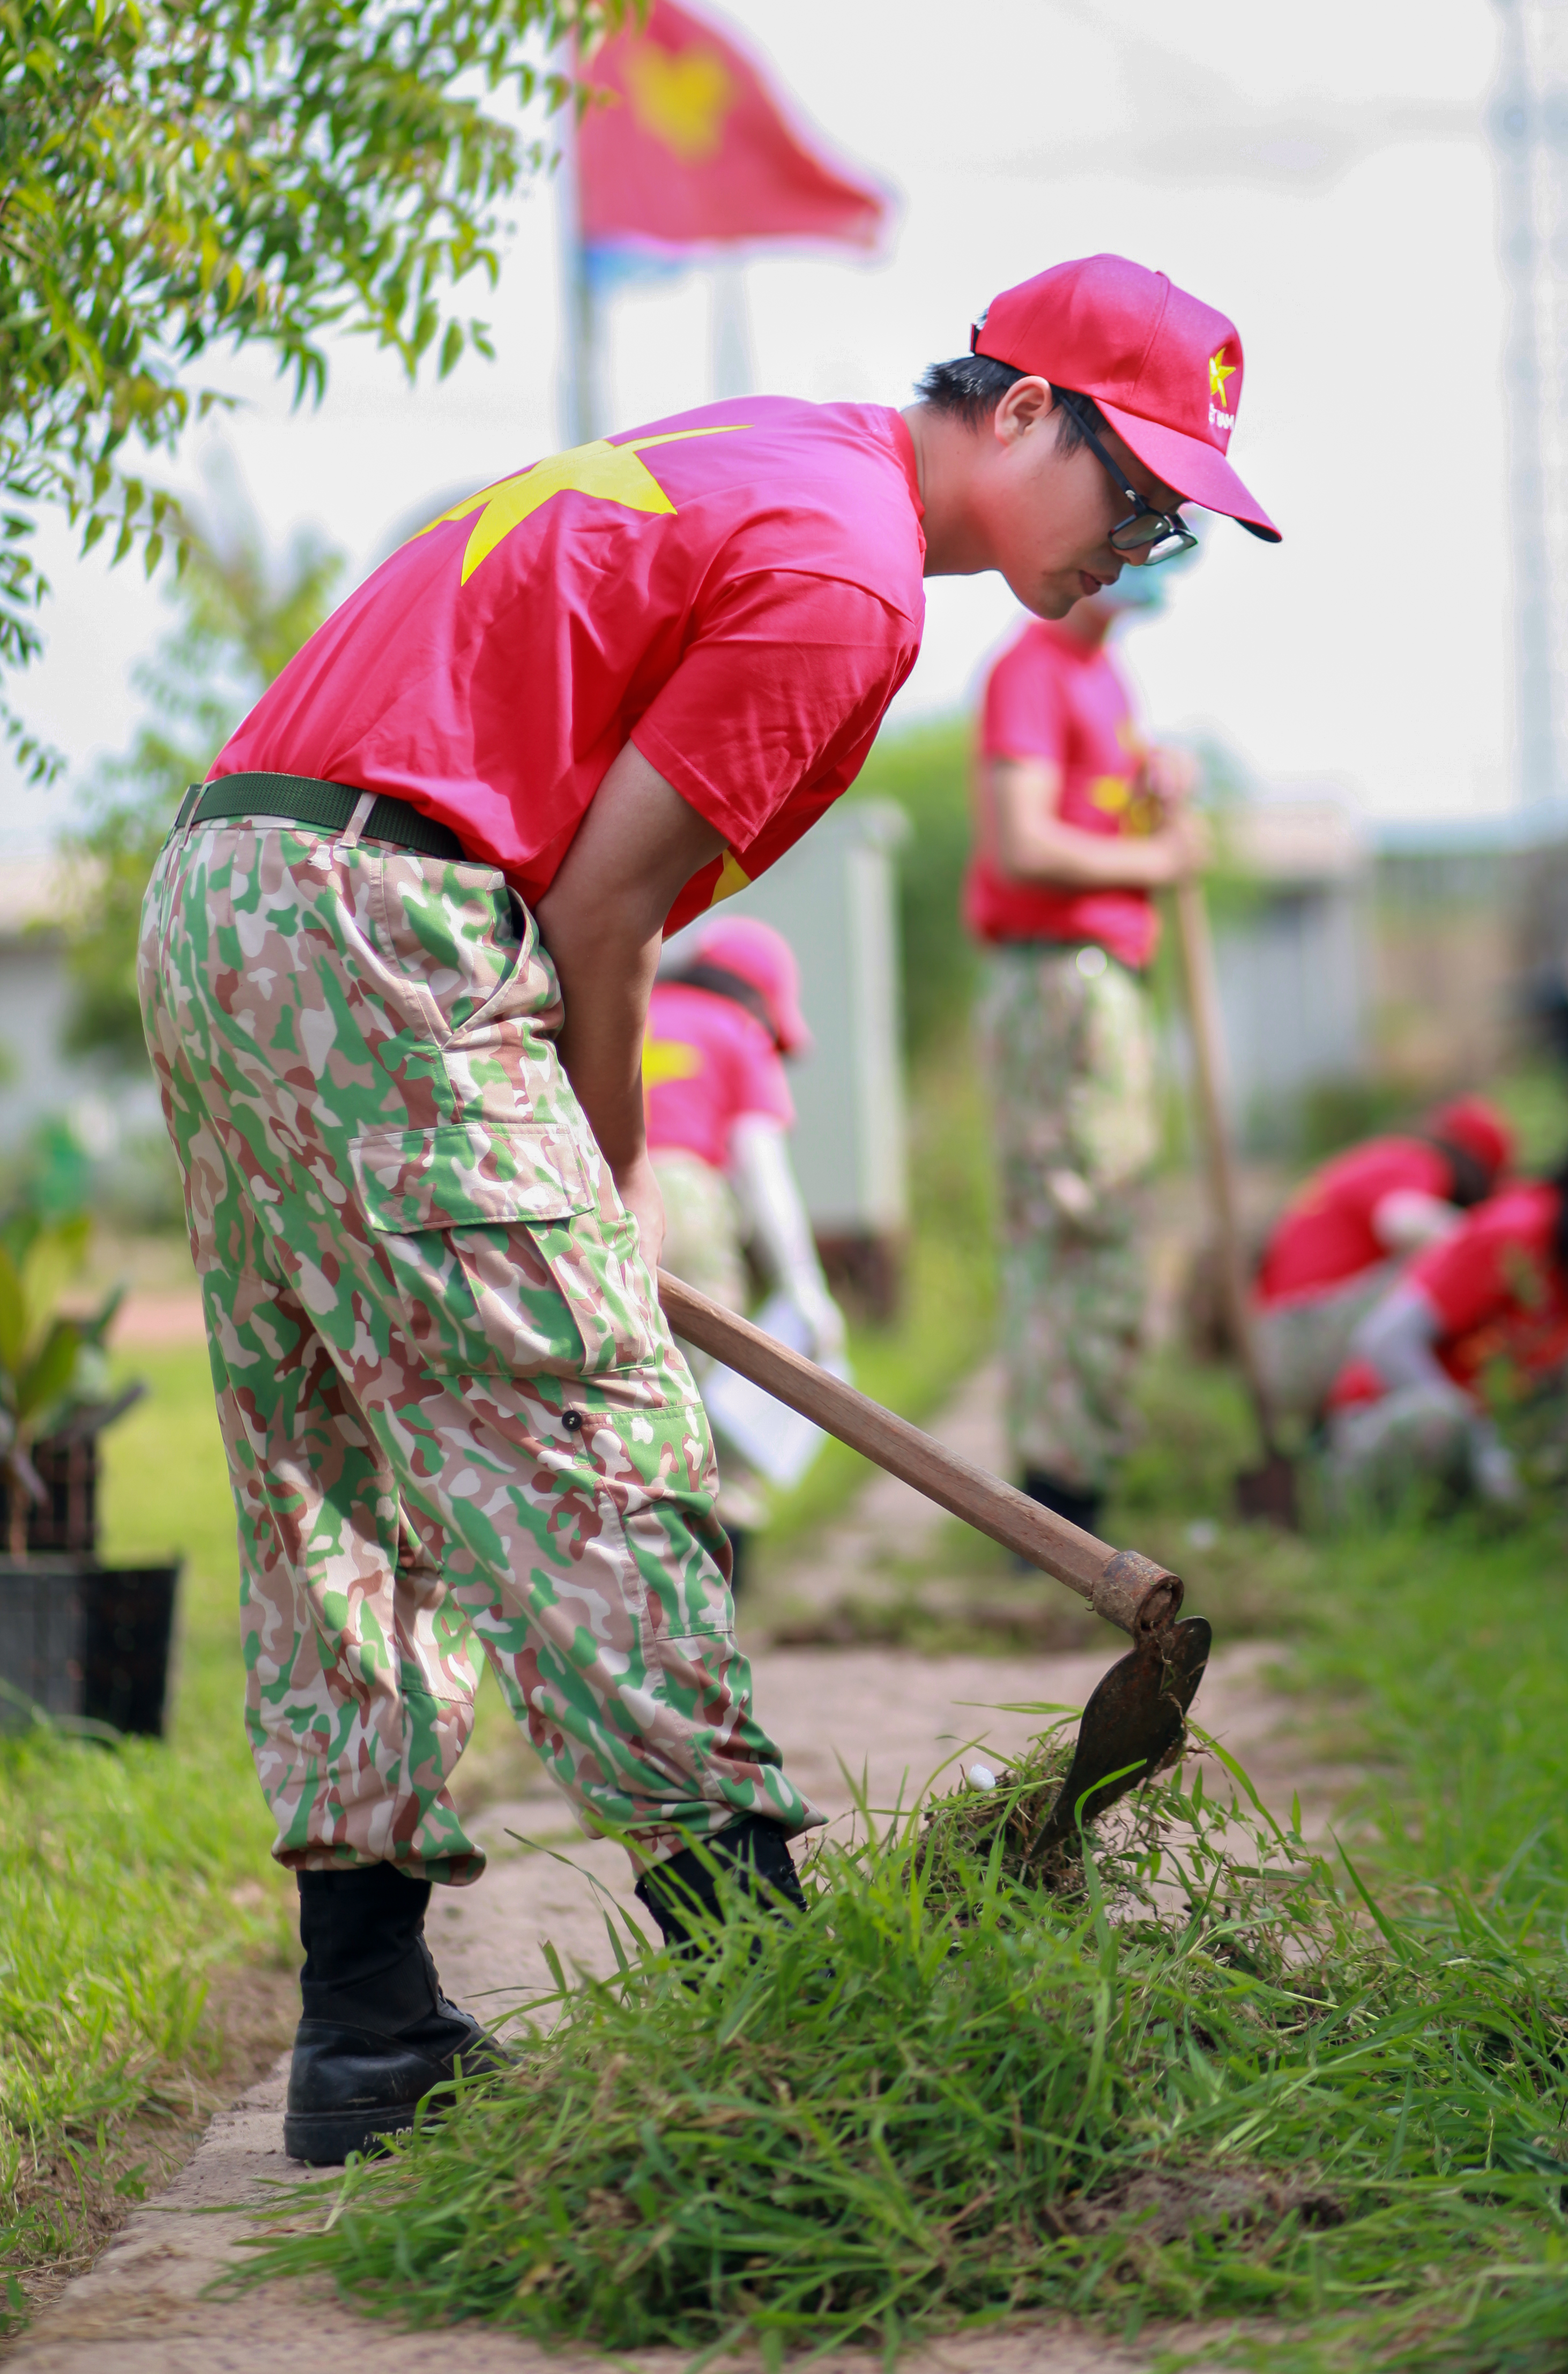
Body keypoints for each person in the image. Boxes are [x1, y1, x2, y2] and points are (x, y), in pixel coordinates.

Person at [136, 250, 1278, 2164]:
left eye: (1175, 523)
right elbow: (600, 910)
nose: (1141, 550)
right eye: (1137, 492)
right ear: (1017, 410)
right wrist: (607, 1179)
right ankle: (768, 1979)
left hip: (238, 883)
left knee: (336, 1463)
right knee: (597, 1439)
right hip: (395, 913)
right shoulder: (848, 579)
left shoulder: (776, 453)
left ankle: (367, 2023)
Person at [964, 550, 1206, 1535]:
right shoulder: (1032, 669)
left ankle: (1078, 1469)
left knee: (1105, 1227)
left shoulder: (1105, 677)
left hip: (1102, 975)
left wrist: (1154, 793)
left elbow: (1090, 813)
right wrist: (1158, 857)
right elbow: (1020, 841)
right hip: (1060, 975)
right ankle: (1057, 1502)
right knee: (1077, 1227)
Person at [1329, 1115, 1568, 1510]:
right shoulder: (1519, 1232)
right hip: (1380, 1428)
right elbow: (1383, 1341)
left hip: (1483, 1437)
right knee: (1441, 1422)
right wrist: (1483, 1445)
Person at [644, 916, 849, 1581]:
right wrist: (803, 1284)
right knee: (716, 1392)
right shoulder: (737, 1032)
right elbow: (762, 1170)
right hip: (687, 1202)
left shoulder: (633, 1009)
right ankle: (728, 1575)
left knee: (636, 1386)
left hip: (601, 1194)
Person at [1252, 1097, 1517, 1423]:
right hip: (1301, 1337)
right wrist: (1483, 1241)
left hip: (1284, 1341)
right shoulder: (1420, 1161)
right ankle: (1450, 1416)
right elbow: (1401, 1221)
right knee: (1437, 1276)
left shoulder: (1384, 1157)